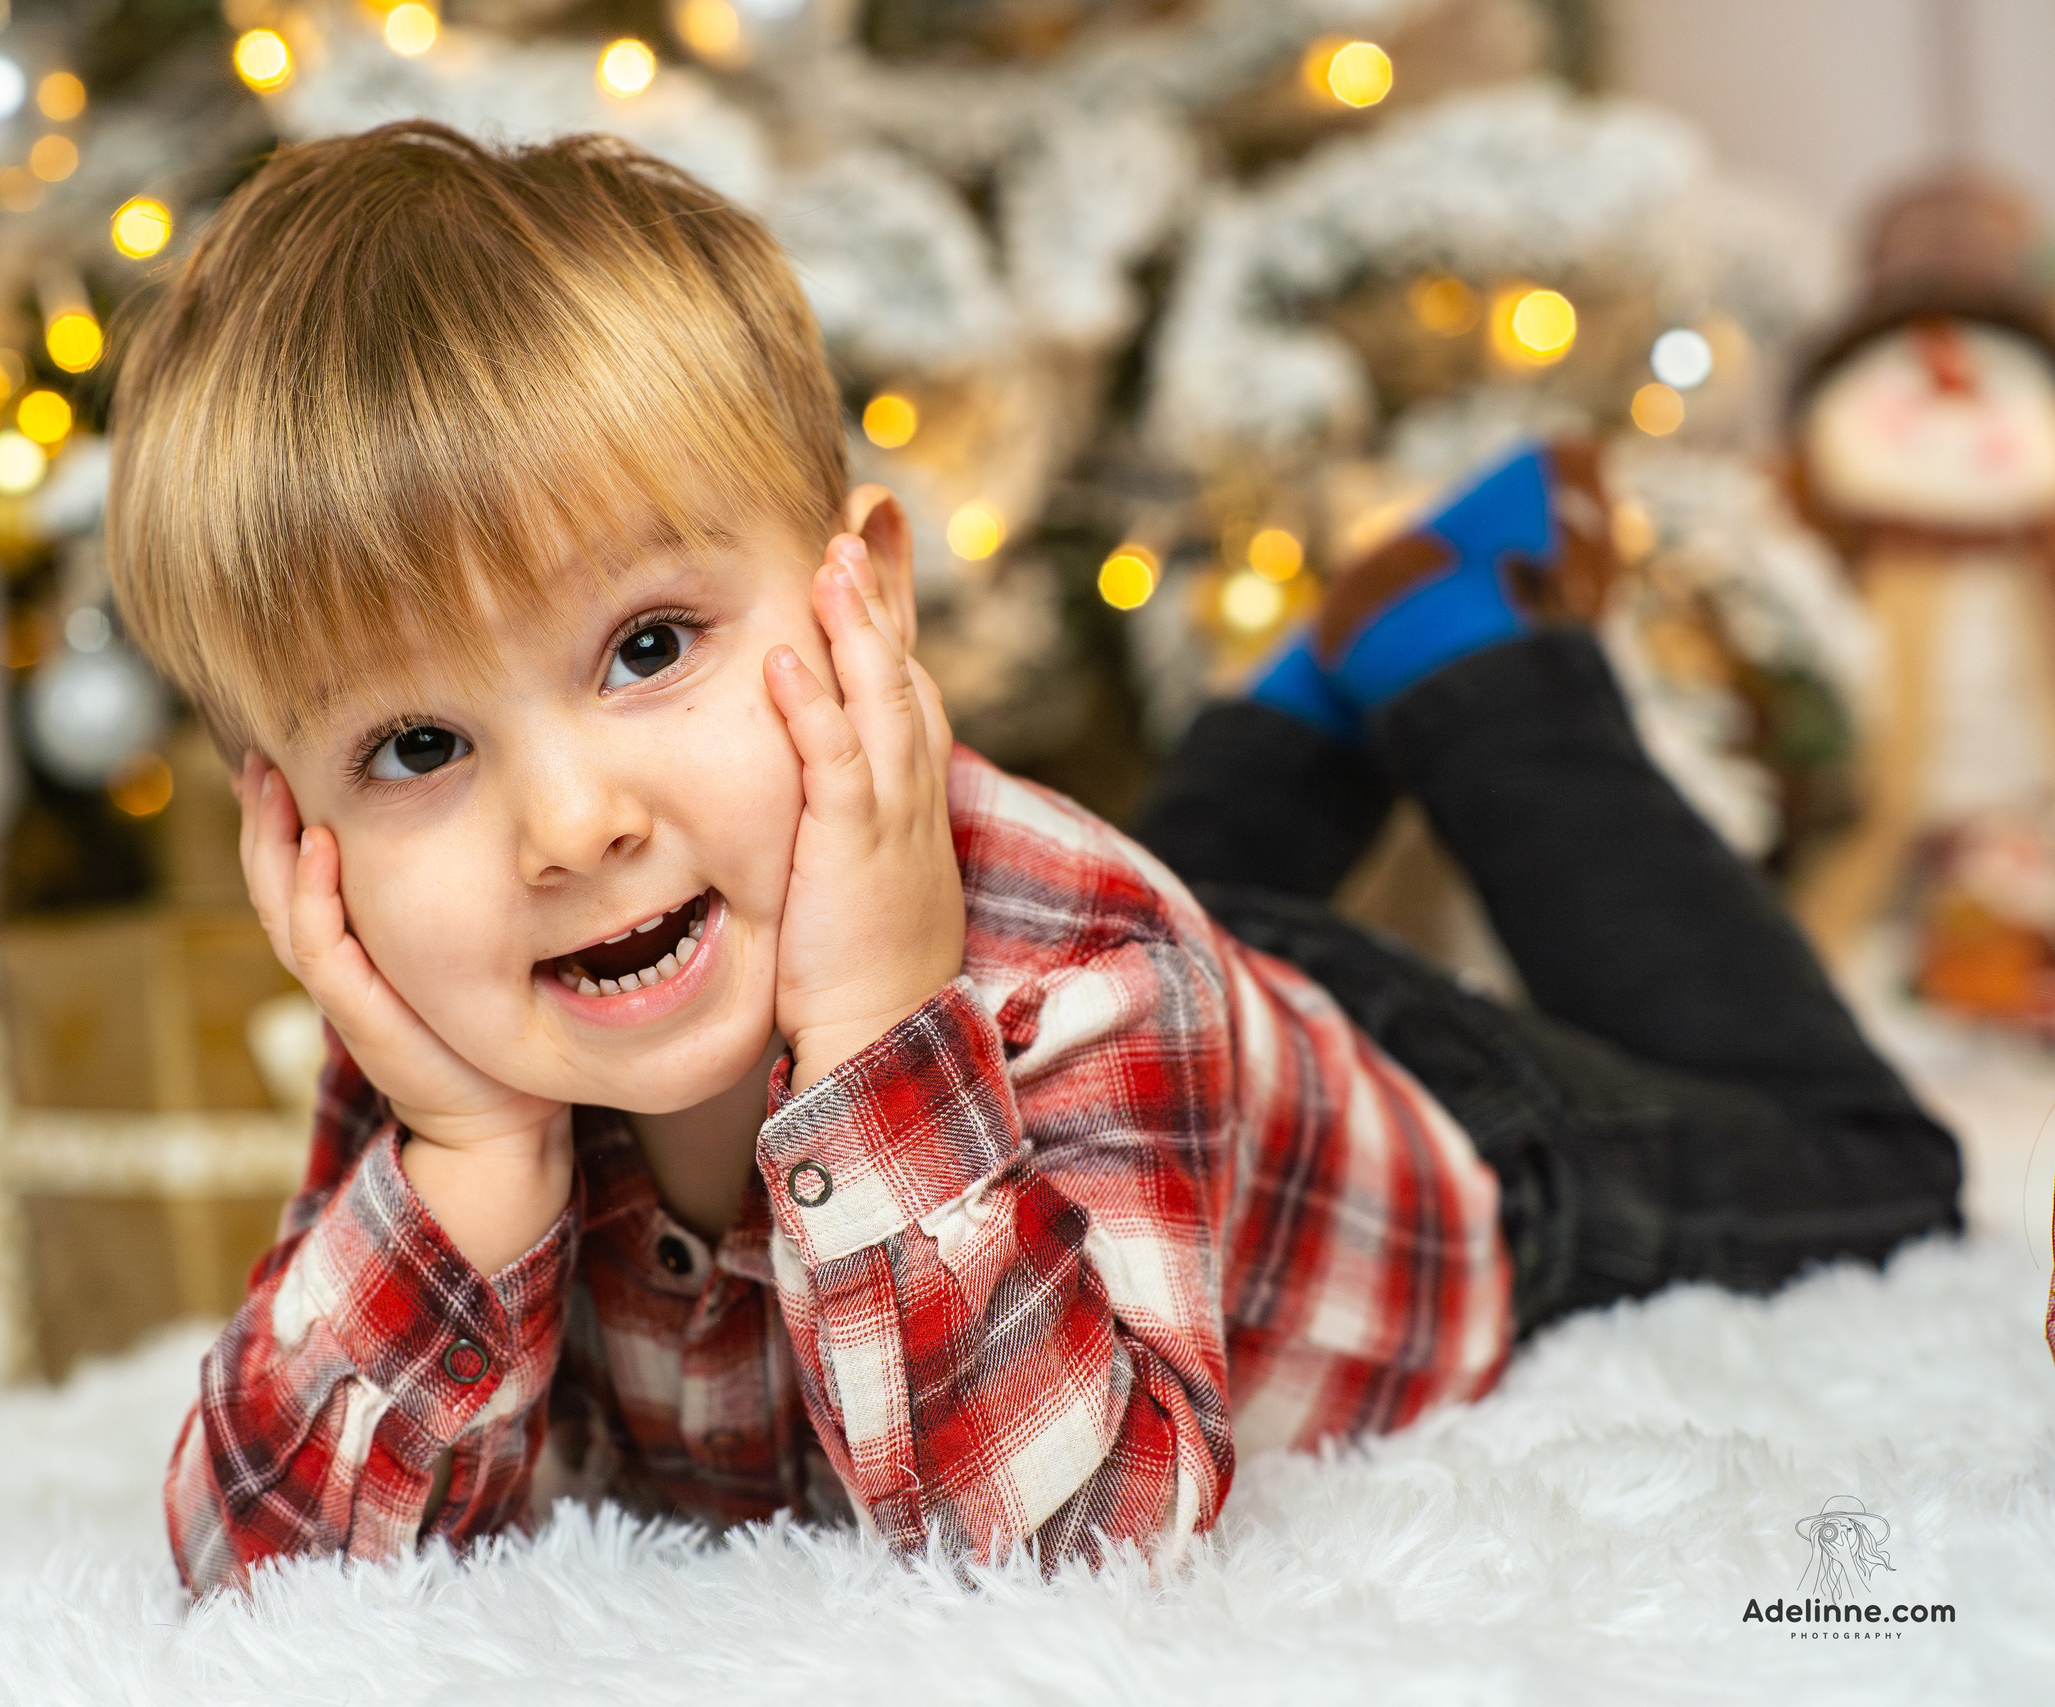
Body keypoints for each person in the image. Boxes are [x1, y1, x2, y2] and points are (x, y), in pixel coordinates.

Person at [105, 122, 1960, 1597]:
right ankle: (1301, 707)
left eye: (650, 646)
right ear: (296, 831)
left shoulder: (1081, 958)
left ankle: (1472, 665)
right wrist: (468, 1179)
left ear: (870, 602)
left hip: (1447, 1142)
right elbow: (270, 1583)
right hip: (1155, 1036)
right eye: (417, 748)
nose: (569, 826)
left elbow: (1084, 1562)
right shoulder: (449, 1037)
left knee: (1883, 1177)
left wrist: (871, 1041)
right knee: (1159, 920)